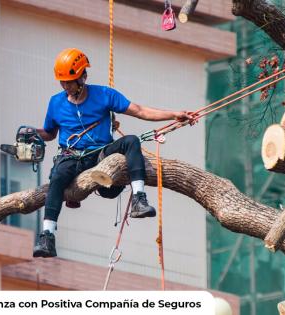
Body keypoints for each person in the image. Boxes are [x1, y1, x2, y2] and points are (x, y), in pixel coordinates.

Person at [31, 48, 195, 258]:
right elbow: (50, 133)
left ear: (83, 77)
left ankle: (139, 199)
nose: (66, 86)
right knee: (57, 177)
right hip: (72, 156)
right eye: (62, 82)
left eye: (70, 81)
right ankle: (47, 236)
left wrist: (173, 115)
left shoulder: (104, 95)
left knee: (131, 141)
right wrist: (32, 132)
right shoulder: (56, 103)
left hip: (101, 154)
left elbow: (140, 111)